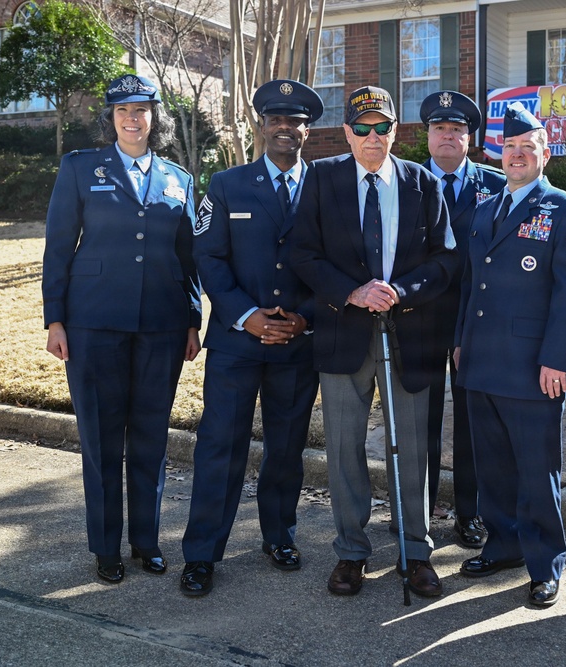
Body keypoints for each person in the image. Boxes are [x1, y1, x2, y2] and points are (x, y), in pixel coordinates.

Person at [290, 86, 459, 599]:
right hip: (345, 332)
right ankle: (351, 553)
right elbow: (302, 253)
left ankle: (415, 551)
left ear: (396, 132)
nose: (372, 137)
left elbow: (446, 260)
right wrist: (353, 292)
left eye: (381, 127)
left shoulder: (422, 183)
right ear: (346, 132)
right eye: (361, 128)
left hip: (410, 333)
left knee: (411, 448)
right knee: (344, 448)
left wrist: (399, 293)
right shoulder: (321, 178)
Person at [42, 74, 201, 584]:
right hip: (93, 324)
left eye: (142, 110)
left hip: (162, 324)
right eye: (122, 111)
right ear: (110, 118)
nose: (133, 119)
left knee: (151, 437)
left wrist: (193, 318)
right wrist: (55, 319)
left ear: (156, 117)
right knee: (103, 438)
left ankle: (146, 542)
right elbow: (57, 248)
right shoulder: (80, 169)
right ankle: (106, 547)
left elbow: (189, 256)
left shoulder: (179, 178)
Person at [178, 80, 324, 597]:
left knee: (286, 447)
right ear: (261, 126)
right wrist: (245, 316)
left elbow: (332, 264)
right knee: (221, 447)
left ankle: (279, 535)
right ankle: (201, 554)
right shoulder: (226, 185)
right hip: (237, 345)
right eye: (276, 119)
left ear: (308, 130)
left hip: (297, 345)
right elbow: (208, 258)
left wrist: (304, 319)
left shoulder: (326, 186)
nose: (285, 127)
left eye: (296, 120)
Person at [454, 102, 566, 607]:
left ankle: (545, 563)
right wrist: (459, 339)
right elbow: (470, 283)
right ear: (499, 151)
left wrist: (558, 359)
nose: (516, 155)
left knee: (537, 470)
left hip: (534, 366)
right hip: (482, 359)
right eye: (509, 147)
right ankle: (505, 544)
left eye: (526, 147)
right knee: (493, 465)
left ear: (545, 153)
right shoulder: (486, 207)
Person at [419, 89, 505, 549]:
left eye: (456, 129)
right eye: (439, 128)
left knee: (473, 423)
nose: (447, 135)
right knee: (423, 419)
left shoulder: (495, 185)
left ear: (469, 138)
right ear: (427, 136)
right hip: (421, 321)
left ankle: (471, 514)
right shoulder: (409, 182)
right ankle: (421, 514)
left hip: (477, 323)